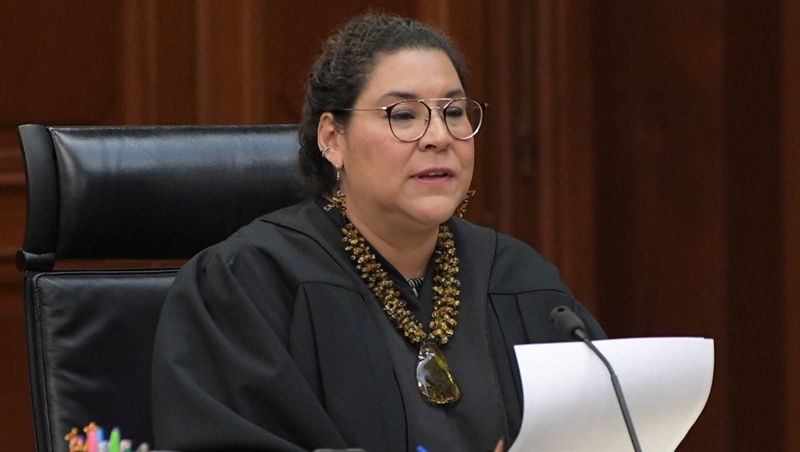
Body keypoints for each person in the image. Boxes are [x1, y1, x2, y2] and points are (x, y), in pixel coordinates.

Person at [151, 11, 605, 452]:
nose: (439, 136)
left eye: (453, 112)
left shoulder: (521, 281)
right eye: (403, 115)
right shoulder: (249, 283)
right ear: (332, 139)